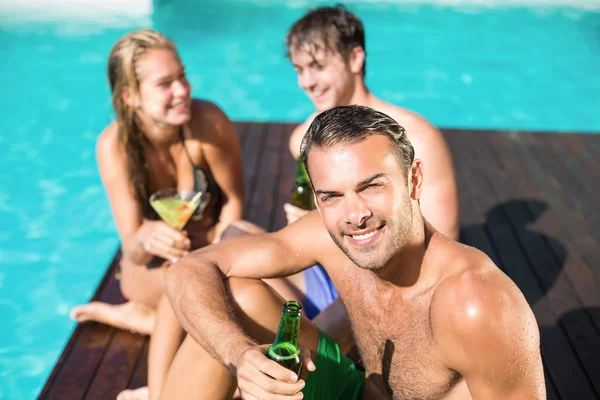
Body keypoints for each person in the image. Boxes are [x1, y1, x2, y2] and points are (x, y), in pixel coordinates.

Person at [161, 105, 545, 399]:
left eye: (372, 186)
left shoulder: (474, 303)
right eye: (332, 196)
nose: (355, 215)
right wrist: (239, 354)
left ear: (414, 180)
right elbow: (190, 268)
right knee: (235, 300)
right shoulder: (327, 236)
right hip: (356, 390)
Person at [66, 29, 254, 400]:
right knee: (185, 285)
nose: (182, 89)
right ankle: (160, 393)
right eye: (165, 83)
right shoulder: (114, 147)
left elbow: (234, 203)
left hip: (211, 248)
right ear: (130, 96)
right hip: (149, 269)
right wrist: (146, 236)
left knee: (221, 282)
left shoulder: (208, 123)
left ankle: (143, 321)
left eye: (182, 75)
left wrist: (216, 245)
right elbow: (132, 247)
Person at [280, 4, 460, 326]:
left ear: (355, 59)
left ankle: (315, 348)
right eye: (298, 69)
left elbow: (443, 242)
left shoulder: (416, 136)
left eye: (317, 66)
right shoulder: (303, 140)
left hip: (398, 286)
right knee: (231, 247)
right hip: (329, 272)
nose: (306, 81)